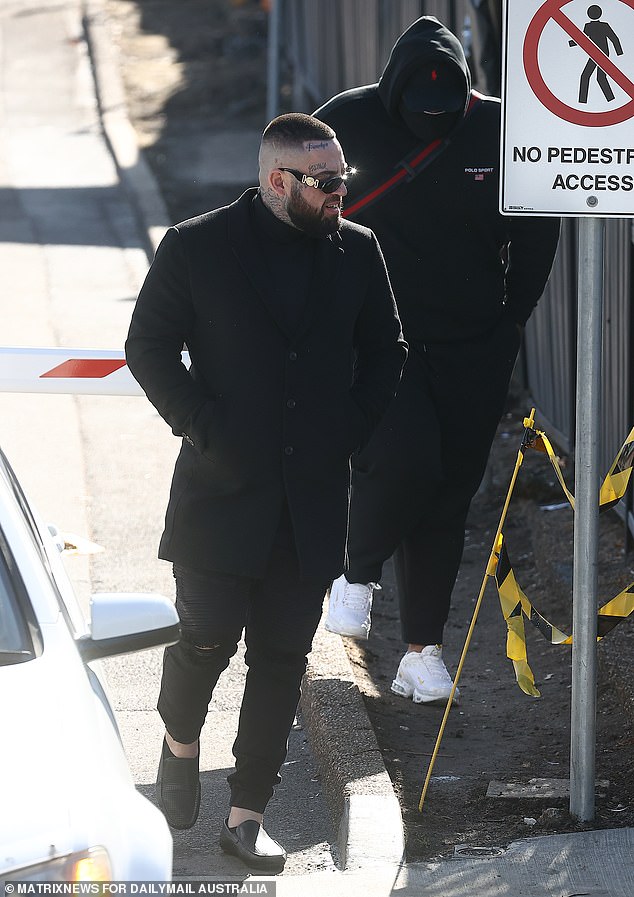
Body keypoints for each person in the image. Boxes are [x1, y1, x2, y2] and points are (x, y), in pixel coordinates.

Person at [125, 113, 406, 874]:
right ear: (279, 181)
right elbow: (146, 343)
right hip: (220, 491)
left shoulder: (358, 251)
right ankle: (179, 746)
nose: (340, 192)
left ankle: (248, 817)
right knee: (206, 638)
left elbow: (388, 350)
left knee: (281, 658)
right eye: (326, 182)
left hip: (310, 500)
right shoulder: (197, 246)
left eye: (343, 177)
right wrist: (200, 424)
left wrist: (346, 429)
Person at [315, 17, 560, 706]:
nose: (430, 124)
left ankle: (423, 652)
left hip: (474, 343)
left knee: (449, 494)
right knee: (406, 458)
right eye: (416, 114)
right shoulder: (344, 121)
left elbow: (538, 232)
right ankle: (356, 574)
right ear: (391, 96)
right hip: (373, 338)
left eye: (442, 115)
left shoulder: (500, 131)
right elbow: (297, 207)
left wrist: (509, 319)